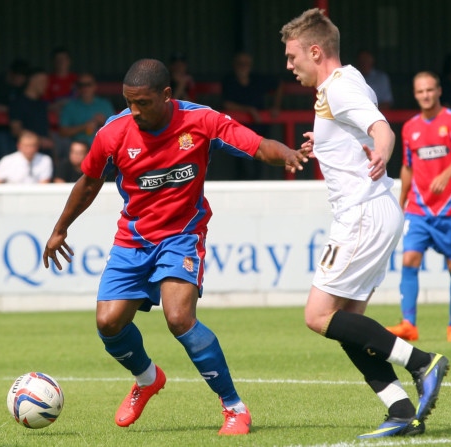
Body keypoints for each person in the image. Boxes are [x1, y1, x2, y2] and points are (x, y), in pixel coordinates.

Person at [42, 58, 308, 436]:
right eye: (128, 102)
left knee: (179, 317)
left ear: (167, 95)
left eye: (143, 103)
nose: (134, 111)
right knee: (108, 323)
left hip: (182, 235)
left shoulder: (201, 122)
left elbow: (257, 145)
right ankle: (147, 379)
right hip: (132, 238)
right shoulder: (113, 133)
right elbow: (88, 183)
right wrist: (60, 229)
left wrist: (287, 155)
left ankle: (234, 407)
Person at [280, 8, 449, 439]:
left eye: (292, 55)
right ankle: (401, 411)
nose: (288, 65)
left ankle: (421, 362)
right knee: (349, 325)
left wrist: (382, 149)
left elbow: (380, 127)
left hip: (360, 214)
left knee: (318, 315)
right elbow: (360, 126)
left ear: (315, 51)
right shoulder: (346, 81)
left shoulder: (337, 90)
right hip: (375, 211)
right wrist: (326, 143)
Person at [386, 71, 451, 343]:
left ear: (438, 91)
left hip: (450, 208)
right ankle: (409, 324)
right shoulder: (410, 128)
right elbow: (407, 167)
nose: (425, 95)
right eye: (420, 91)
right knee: (409, 259)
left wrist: (445, 176)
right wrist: (400, 202)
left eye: (430, 90)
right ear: (415, 94)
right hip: (419, 208)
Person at [219, 52, 284, 180]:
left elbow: (279, 84)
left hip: (259, 127)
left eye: (246, 63)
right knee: (241, 160)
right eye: (240, 63)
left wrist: (276, 106)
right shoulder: (229, 80)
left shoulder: (257, 79)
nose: (243, 66)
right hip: (238, 129)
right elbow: (227, 104)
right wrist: (248, 110)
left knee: (261, 159)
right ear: (234, 65)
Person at [0, 58, 30, 165]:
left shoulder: (23, 88)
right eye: (19, 77)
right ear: (12, 74)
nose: (21, 80)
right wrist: (14, 108)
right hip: (0, 130)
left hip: (18, 129)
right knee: (4, 159)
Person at [8, 68, 56, 160]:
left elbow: (46, 128)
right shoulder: (18, 103)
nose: (45, 85)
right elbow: (16, 129)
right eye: (43, 81)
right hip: (26, 154)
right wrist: (38, 140)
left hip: (45, 154)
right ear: (32, 81)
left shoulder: (42, 104)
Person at [58, 73, 115, 148]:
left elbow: (116, 129)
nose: (85, 88)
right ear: (77, 88)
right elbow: (62, 132)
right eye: (81, 85)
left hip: (101, 147)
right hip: (77, 150)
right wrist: (83, 127)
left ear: (95, 86)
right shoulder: (69, 106)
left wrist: (104, 121)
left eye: (88, 84)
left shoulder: (104, 104)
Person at [44, 46, 78, 112]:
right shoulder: (47, 80)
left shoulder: (76, 79)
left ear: (69, 61)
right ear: (53, 62)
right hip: (54, 113)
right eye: (58, 59)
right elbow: (45, 104)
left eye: (64, 59)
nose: (61, 62)